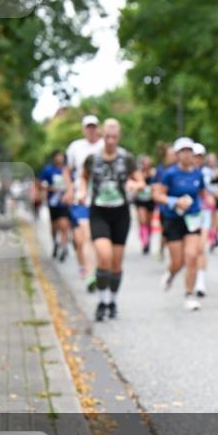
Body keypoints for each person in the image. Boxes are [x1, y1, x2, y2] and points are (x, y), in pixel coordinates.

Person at [77, 119, 143, 321]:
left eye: (115, 137)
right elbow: (83, 177)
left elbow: (140, 180)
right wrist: (81, 191)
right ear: (101, 136)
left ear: (119, 137)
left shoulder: (127, 158)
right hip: (99, 212)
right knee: (103, 256)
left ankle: (112, 300)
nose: (111, 140)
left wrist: (136, 185)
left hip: (120, 213)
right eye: (107, 136)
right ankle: (102, 300)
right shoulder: (92, 158)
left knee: (116, 263)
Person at [153, 137, 207, 311]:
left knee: (192, 256)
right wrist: (175, 201)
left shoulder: (198, 173)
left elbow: (202, 193)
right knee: (178, 261)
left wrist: (207, 203)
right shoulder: (170, 174)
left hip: (192, 219)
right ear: (177, 154)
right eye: (183, 151)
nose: (187, 155)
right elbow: (158, 195)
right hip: (173, 219)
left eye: (189, 151)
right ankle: (171, 274)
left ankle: (189, 295)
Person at [64, 115, 103, 292]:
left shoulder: (104, 146)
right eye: (88, 127)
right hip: (82, 198)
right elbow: (67, 170)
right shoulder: (76, 147)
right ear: (83, 129)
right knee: (84, 238)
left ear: (98, 128)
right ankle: (90, 273)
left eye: (94, 127)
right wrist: (70, 189)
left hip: (101, 199)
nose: (91, 130)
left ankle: (94, 269)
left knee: (93, 239)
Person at [39, 150, 70, 262]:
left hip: (65, 202)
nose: (59, 158)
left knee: (64, 225)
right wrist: (50, 188)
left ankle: (64, 246)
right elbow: (42, 183)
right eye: (57, 156)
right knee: (54, 226)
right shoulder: (48, 170)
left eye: (61, 156)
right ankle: (55, 243)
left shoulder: (67, 169)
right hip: (53, 202)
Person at [193, 142, 212, 297]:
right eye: (194, 156)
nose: (196, 159)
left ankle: (200, 282)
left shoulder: (206, 173)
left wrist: (211, 196)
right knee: (189, 252)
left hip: (203, 213)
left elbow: (208, 191)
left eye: (199, 156)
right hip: (187, 215)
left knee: (201, 248)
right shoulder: (180, 172)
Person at [133, 155, 156, 255]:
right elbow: (134, 184)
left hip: (150, 200)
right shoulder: (138, 173)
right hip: (140, 200)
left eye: (148, 162)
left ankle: (149, 239)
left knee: (149, 222)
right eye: (144, 162)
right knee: (142, 221)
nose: (146, 164)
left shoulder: (153, 173)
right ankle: (144, 242)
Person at [205, 152, 218, 251]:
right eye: (210, 160)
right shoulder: (206, 171)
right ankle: (212, 241)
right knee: (212, 221)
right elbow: (206, 185)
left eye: (214, 160)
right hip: (211, 198)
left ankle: (216, 237)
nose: (212, 162)